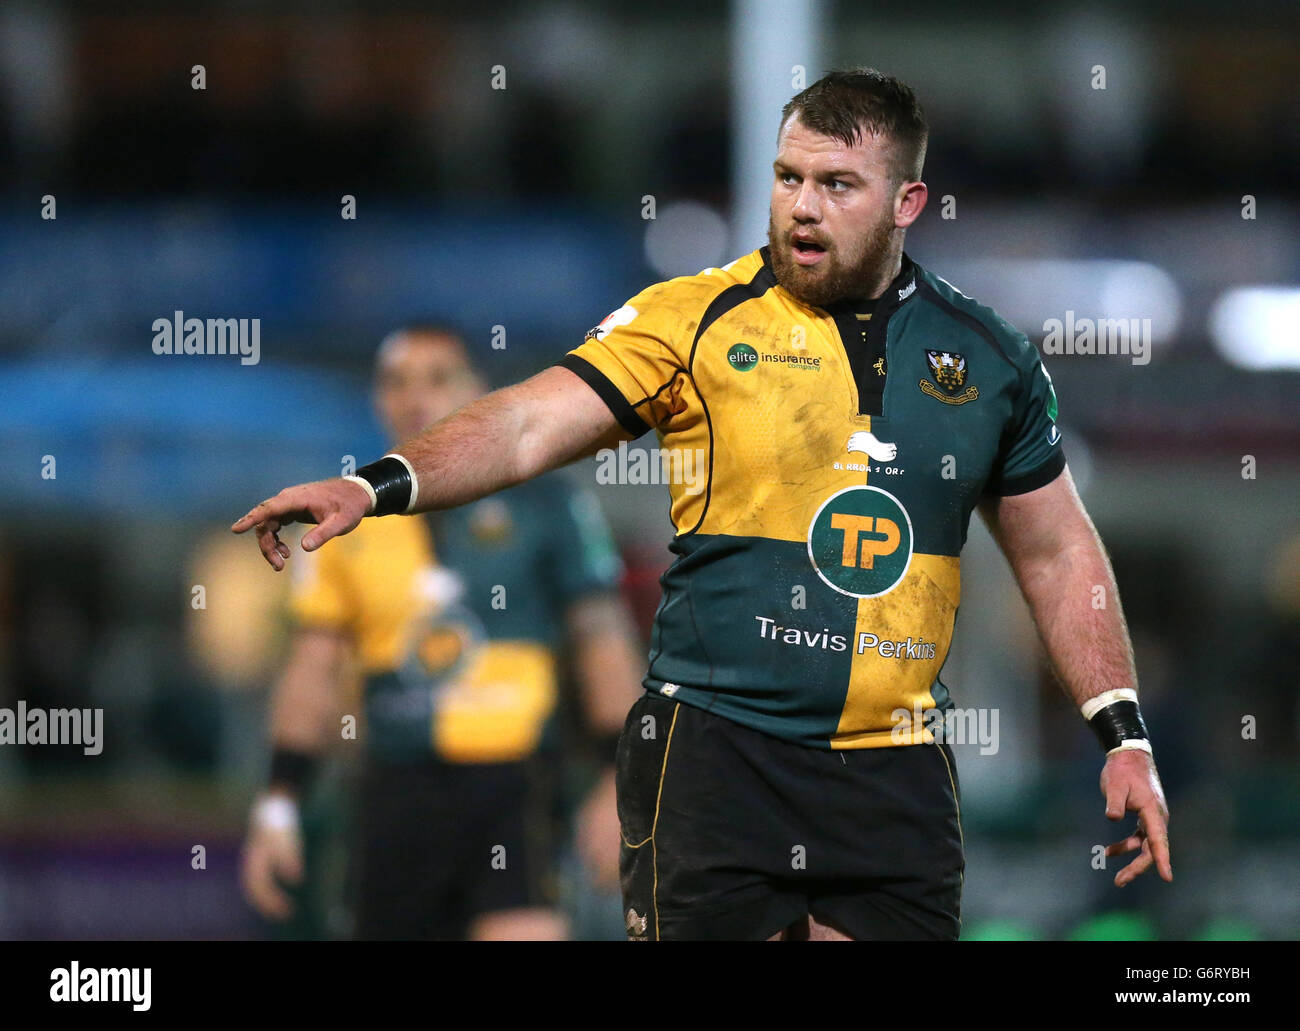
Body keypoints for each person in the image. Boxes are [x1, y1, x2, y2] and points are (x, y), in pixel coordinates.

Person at [233, 69, 1172, 942]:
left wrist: (1122, 736)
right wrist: (374, 482)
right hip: (717, 755)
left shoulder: (992, 361)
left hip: (894, 767)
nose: (802, 208)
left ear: (907, 203)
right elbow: (524, 425)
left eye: (838, 185)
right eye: (788, 177)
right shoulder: (693, 320)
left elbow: (1055, 552)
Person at [239, 325, 643, 940]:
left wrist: (622, 780)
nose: (414, 397)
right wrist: (278, 800)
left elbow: (601, 641)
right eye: (396, 382)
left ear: (478, 390)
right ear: (376, 400)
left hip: (516, 787)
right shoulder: (339, 527)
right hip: (394, 792)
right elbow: (312, 671)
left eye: (438, 377)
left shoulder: (547, 507)